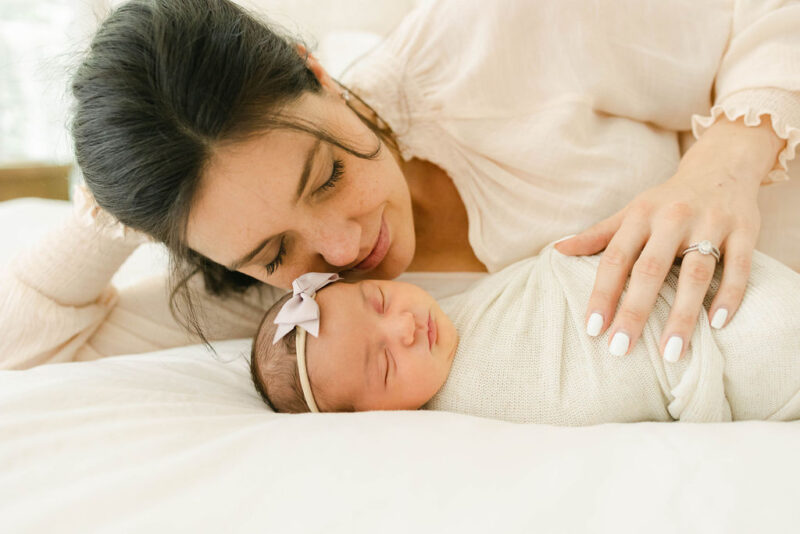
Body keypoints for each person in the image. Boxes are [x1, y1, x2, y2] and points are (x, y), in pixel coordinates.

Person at [2, 0, 799, 370]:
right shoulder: (281, 311)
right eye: (274, 250)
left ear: (319, 77)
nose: (349, 250)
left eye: (330, 176)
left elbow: (764, 17)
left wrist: (722, 165)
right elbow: (25, 347)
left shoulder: (490, 36)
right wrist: (112, 212)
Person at [250, 241, 800, 425]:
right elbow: (584, 394)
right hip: (727, 352)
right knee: (771, 336)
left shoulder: (460, 309)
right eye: (386, 364)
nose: (405, 327)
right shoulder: (468, 407)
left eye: (380, 300)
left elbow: (552, 272)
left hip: (704, 283)